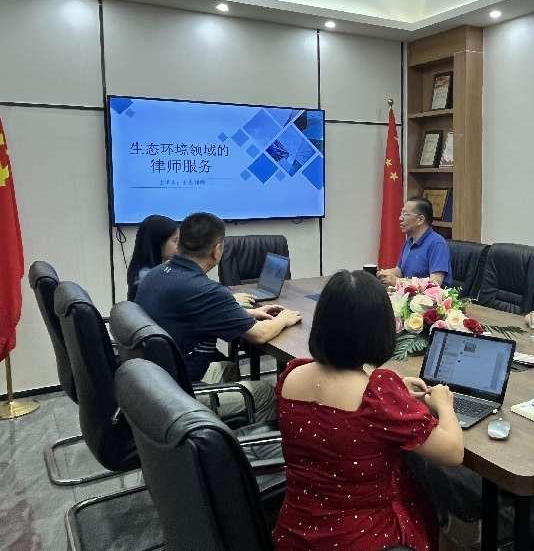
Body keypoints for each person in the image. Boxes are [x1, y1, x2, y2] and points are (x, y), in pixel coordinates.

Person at [273, 270, 464, 551]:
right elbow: (453, 453)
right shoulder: (377, 394)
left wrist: (393, 390)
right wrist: (444, 405)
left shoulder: (291, 374)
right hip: (362, 538)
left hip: (294, 533)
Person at [135, 212, 301, 423]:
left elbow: (191, 312)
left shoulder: (156, 274)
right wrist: (283, 318)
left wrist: (245, 313)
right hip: (177, 396)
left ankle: (221, 429)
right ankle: (246, 443)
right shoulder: (203, 289)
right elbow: (260, 334)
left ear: (181, 242)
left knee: (228, 369)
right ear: (217, 250)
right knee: (267, 392)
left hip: (153, 383)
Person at [377, 197, 451, 287]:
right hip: (406, 293)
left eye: (405, 214)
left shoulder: (437, 244)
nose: (400, 218)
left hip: (428, 296)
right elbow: (400, 271)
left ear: (420, 220)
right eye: (401, 213)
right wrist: (383, 274)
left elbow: (435, 283)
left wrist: (398, 281)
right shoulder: (409, 241)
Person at [126, 214, 178, 300]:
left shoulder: (162, 269)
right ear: (158, 243)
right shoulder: (148, 277)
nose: (179, 246)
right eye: (175, 241)